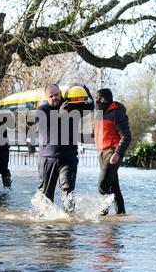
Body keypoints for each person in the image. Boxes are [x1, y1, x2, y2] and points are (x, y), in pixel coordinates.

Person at [35, 83, 94, 215]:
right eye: (51, 96)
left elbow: (90, 105)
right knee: (45, 194)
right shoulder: (42, 110)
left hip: (68, 158)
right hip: (48, 159)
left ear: (60, 93)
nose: (55, 98)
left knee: (68, 191)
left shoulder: (71, 106)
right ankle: (44, 225)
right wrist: (60, 115)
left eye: (56, 94)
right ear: (46, 97)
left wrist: (84, 88)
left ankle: (68, 223)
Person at [94, 88, 131, 215]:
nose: (95, 101)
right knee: (114, 187)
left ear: (103, 99)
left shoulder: (117, 113)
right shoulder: (99, 113)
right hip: (101, 153)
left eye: (97, 99)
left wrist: (118, 153)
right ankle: (120, 215)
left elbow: (126, 136)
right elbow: (97, 133)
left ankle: (102, 215)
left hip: (112, 153)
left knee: (102, 185)